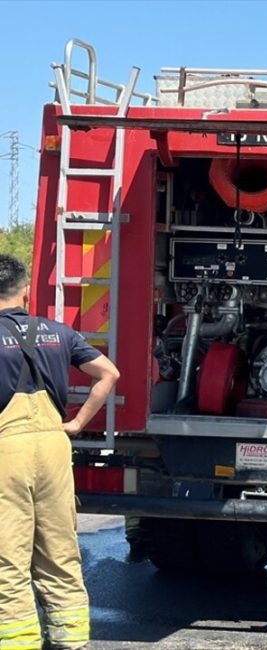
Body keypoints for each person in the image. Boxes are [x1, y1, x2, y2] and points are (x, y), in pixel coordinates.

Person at [0, 254, 120, 650]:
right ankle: (70, 641)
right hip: (54, 445)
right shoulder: (57, 332)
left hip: (6, 449)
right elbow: (109, 374)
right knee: (59, 552)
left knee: (8, 558)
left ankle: (17, 642)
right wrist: (78, 423)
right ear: (26, 290)